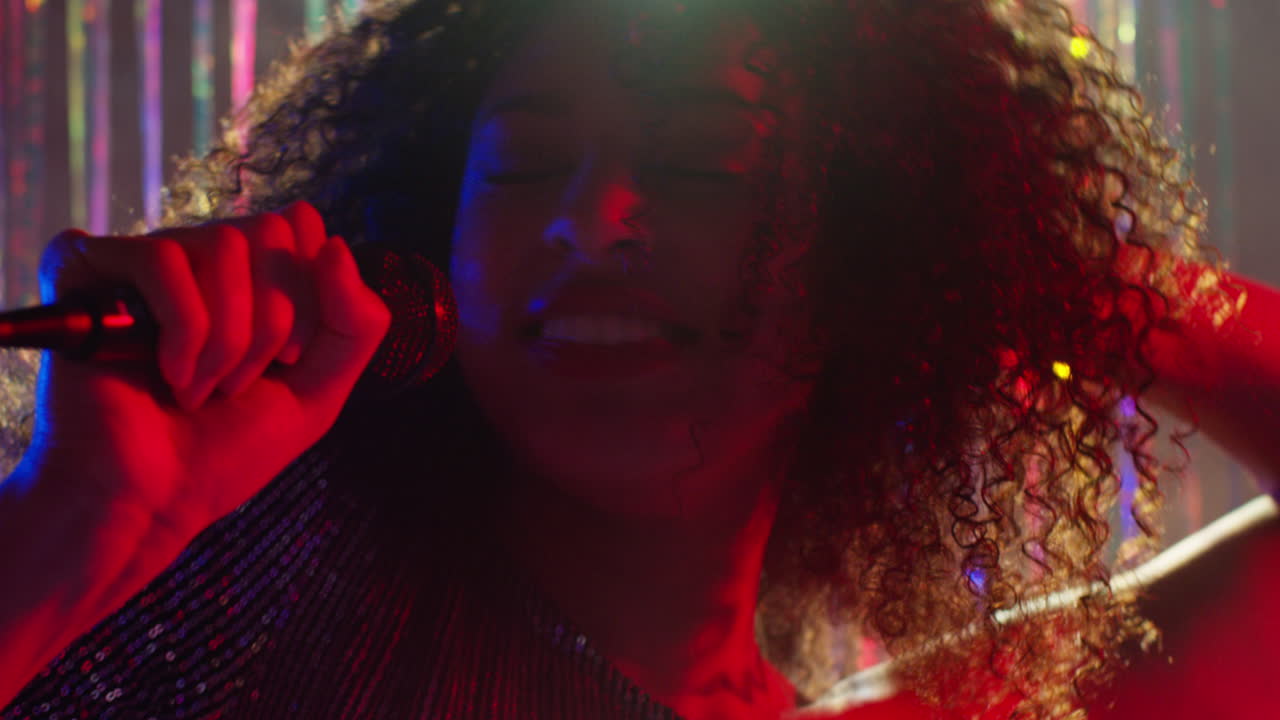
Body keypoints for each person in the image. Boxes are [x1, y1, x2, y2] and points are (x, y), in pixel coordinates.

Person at [0, 0, 1273, 718]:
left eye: (698, 163)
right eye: (527, 161)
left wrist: (1041, 272)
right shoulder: (223, 589)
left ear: (876, 259)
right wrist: (79, 522)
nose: (586, 219)